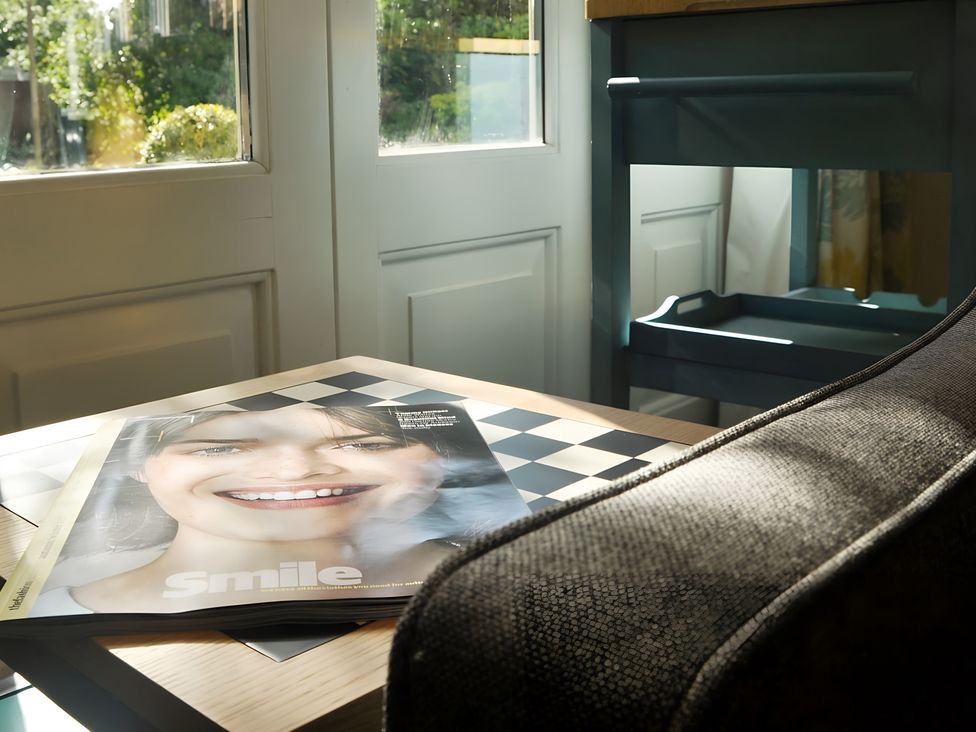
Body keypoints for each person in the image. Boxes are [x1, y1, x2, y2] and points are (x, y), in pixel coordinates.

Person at [33, 403, 525, 616]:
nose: (295, 471)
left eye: (366, 444)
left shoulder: (521, 577)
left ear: (438, 456)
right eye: (219, 449)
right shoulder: (55, 606)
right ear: (139, 467)